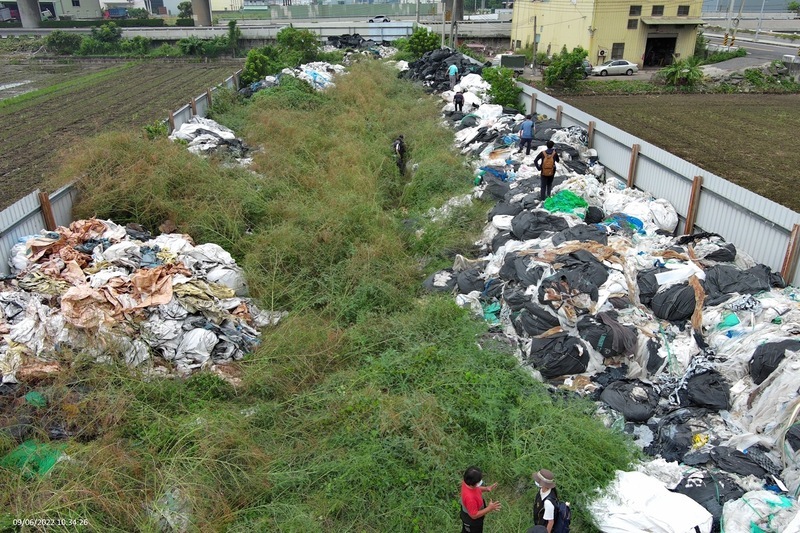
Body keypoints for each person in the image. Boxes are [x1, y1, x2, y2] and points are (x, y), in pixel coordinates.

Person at [460, 466, 501, 533]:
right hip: (472, 523)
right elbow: (474, 515)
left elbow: (476, 488)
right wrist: (489, 508)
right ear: (473, 484)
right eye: (479, 481)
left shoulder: (466, 482)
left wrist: (486, 489)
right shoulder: (470, 499)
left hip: (469, 510)